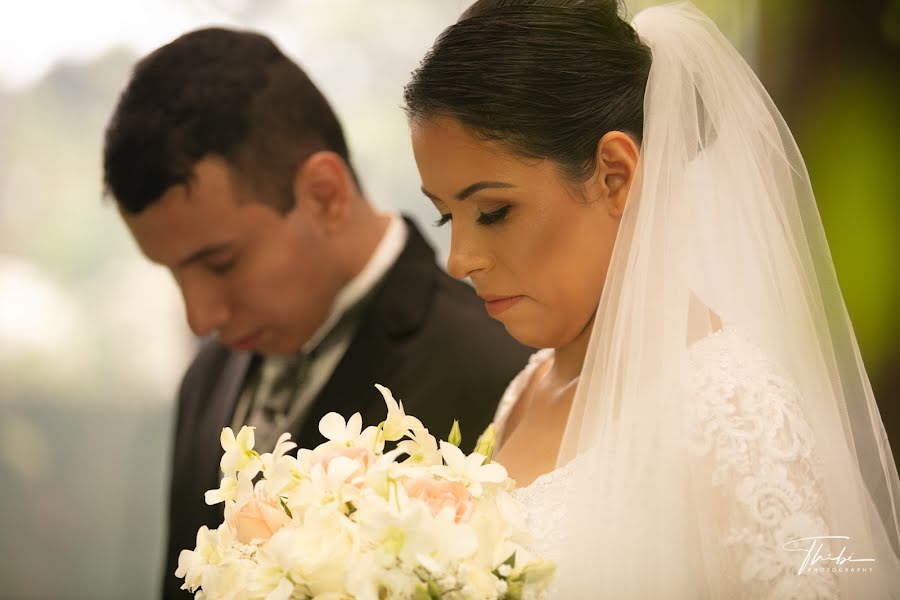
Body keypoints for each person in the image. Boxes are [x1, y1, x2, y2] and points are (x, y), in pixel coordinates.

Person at [405, 0, 900, 597]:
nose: (459, 260)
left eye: (493, 212)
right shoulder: (531, 384)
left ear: (616, 175)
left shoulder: (729, 411)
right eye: (444, 219)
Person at [102, 27, 531, 599]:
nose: (199, 316)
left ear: (325, 193)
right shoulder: (208, 377)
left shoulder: (500, 368)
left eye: (220, 262)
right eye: (173, 273)